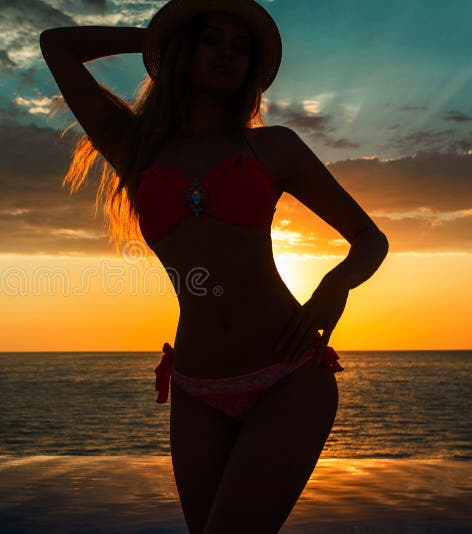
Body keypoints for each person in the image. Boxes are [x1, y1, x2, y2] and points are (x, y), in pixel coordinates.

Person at [40, 0, 389, 531]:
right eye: (211, 40)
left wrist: (332, 289)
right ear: (185, 50)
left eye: (240, 47)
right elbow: (58, 47)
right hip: (197, 385)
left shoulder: (273, 147)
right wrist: (159, 36)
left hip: (288, 374)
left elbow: (369, 238)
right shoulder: (135, 147)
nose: (227, 54)